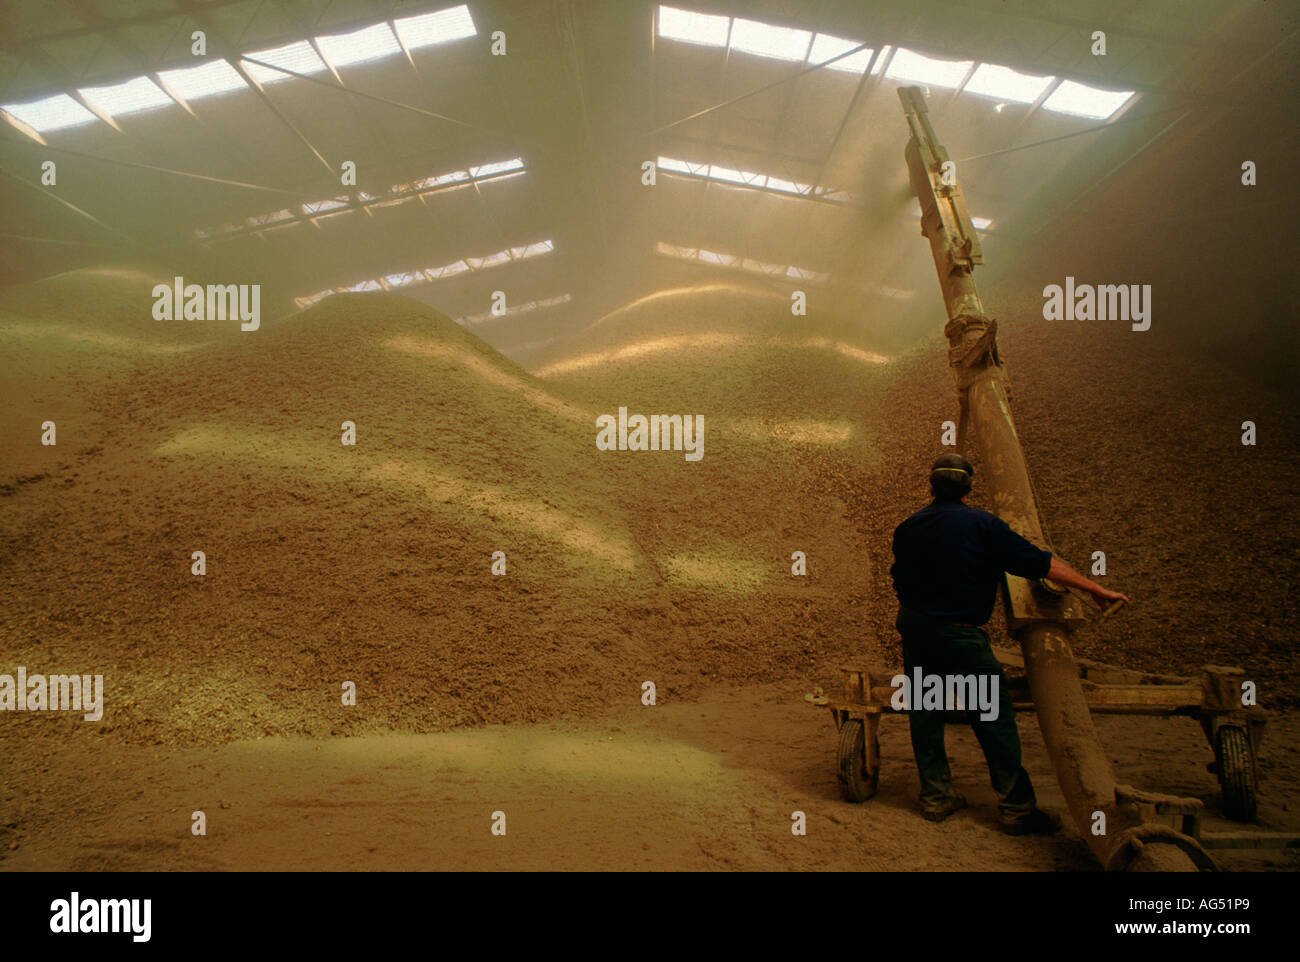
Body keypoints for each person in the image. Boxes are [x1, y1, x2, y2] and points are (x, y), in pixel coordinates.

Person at [889, 453, 1129, 833]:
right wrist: (1095, 587)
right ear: (969, 487)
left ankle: (936, 798)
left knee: (928, 711)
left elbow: (898, 577)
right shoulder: (984, 525)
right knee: (992, 717)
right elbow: (1040, 564)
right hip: (962, 634)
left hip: (917, 630)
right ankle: (1016, 808)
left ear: (931, 485)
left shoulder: (909, 527)